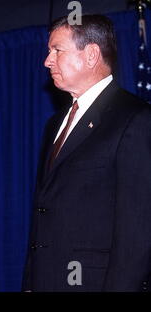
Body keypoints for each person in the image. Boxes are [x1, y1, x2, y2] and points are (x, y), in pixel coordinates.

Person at [23, 15, 151, 291]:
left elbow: (138, 231)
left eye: (57, 50)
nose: (47, 60)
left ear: (91, 55)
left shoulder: (135, 119)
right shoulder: (54, 124)